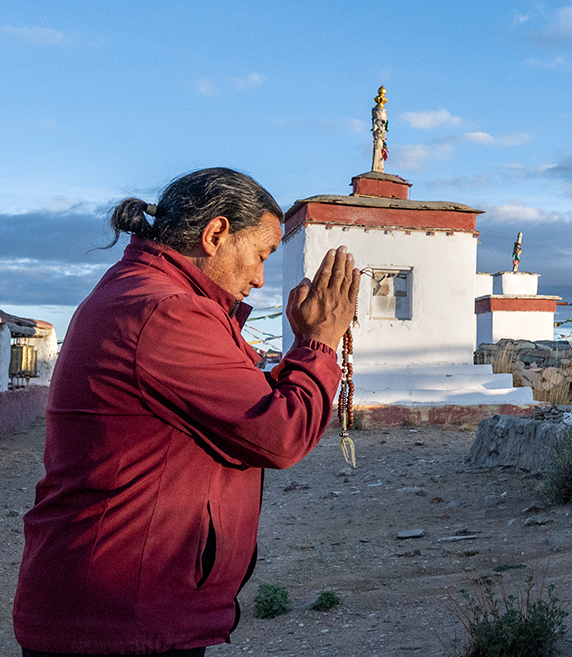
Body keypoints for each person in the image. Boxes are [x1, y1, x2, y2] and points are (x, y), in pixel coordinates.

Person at [12, 167, 359, 657]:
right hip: (121, 614)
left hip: (115, 602)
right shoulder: (168, 311)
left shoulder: (140, 294)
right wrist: (319, 343)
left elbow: (239, 405)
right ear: (216, 234)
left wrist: (305, 344)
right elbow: (281, 433)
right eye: (261, 255)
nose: (260, 278)